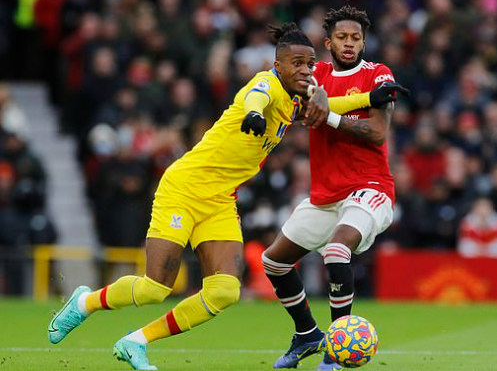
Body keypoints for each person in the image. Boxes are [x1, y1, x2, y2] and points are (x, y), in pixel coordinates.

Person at [47, 23, 382, 371]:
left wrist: (371, 98)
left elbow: (333, 104)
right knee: (155, 287)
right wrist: (253, 113)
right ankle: (85, 303)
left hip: (220, 199)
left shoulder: (297, 99)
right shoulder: (264, 83)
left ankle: (136, 342)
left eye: (310, 64)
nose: (305, 70)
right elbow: (257, 97)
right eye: (296, 63)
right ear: (277, 64)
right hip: (184, 187)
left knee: (225, 291)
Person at [262, 7, 408, 371]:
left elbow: (377, 133)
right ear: (328, 43)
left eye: (356, 38)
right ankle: (307, 334)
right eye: (342, 38)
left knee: (337, 250)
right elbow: (298, 109)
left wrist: (327, 114)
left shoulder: (378, 75)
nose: (349, 44)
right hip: (326, 194)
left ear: (364, 42)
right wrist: (321, 108)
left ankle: (337, 351)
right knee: (274, 261)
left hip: (369, 187)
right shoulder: (317, 74)